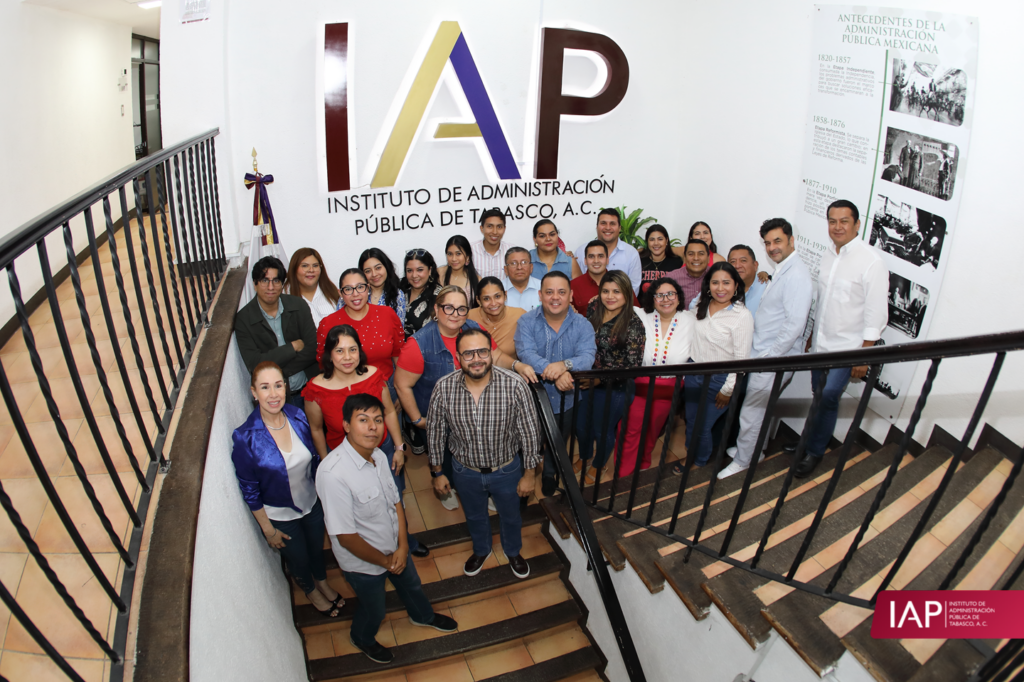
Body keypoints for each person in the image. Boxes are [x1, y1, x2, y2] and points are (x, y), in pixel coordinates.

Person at [316, 394, 458, 664]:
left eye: (378, 420)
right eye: (363, 420)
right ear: (346, 425)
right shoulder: (332, 474)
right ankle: (362, 637)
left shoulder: (380, 455)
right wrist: (385, 562)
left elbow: (395, 503)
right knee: (374, 610)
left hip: (395, 549)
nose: (373, 427)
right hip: (364, 563)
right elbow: (345, 537)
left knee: (412, 586)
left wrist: (402, 546)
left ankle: (423, 616)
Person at [231, 362, 343, 617]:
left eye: (278, 385)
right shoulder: (245, 437)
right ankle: (310, 590)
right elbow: (249, 489)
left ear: (286, 387)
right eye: (265, 387)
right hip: (280, 517)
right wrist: (268, 530)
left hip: (312, 504)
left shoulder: (298, 415)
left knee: (316, 549)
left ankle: (322, 581)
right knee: (299, 559)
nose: (273, 394)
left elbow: (315, 459)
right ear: (253, 392)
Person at [426, 328, 540, 578]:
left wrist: (529, 474)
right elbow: (435, 432)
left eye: (482, 352)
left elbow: (530, 432)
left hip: (507, 470)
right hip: (465, 472)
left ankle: (513, 551)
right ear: (458, 357)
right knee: (475, 516)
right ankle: (481, 549)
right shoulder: (443, 388)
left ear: (491, 353)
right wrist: (437, 472)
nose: (476, 359)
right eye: (468, 353)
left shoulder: (515, 385)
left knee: (511, 516)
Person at [394, 286, 521, 508]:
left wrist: (518, 366)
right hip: (436, 418)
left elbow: (497, 355)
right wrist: (418, 420)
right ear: (436, 309)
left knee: (473, 454)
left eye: (462, 309)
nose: (455, 314)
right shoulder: (419, 343)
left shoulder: (474, 329)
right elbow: (402, 385)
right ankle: (447, 487)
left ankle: (480, 490)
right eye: (449, 308)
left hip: (472, 412)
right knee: (443, 458)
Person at [305, 324, 426, 554]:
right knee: (360, 509)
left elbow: (388, 412)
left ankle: (404, 542)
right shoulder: (316, 389)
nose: (347, 357)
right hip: (345, 461)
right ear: (329, 354)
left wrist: (399, 448)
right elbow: (317, 429)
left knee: (394, 499)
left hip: (383, 451)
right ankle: (373, 551)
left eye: (352, 350)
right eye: (339, 351)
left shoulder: (373, 375)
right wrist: (326, 462)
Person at [794, 200, 887, 479]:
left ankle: (815, 451)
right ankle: (805, 443)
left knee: (829, 396)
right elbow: (823, 301)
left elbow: (876, 314)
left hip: (848, 349)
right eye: (832, 221)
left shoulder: (871, 262)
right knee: (818, 394)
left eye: (844, 221)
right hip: (821, 344)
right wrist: (812, 334)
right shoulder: (827, 255)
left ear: (857, 224)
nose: (837, 227)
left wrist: (864, 355)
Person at [718, 219, 813, 479]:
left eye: (777, 241)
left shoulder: (797, 275)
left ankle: (743, 461)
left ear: (791, 240)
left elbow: (795, 325)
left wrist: (770, 358)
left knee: (752, 412)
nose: (772, 247)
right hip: (765, 352)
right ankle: (752, 451)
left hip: (773, 357)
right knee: (760, 409)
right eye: (768, 243)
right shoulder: (782, 269)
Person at [514, 271, 597, 496]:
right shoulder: (526, 321)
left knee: (557, 440)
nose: (555, 297)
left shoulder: (583, 324)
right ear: (540, 295)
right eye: (549, 292)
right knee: (529, 440)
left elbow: (587, 356)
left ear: (570, 295)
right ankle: (526, 474)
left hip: (567, 400)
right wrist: (557, 372)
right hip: (532, 399)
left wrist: (565, 364)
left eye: (561, 292)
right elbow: (526, 353)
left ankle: (549, 473)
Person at [675, 262, 753, 472]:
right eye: (715, 282)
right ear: (708, 285)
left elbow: (741, 360)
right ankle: (691, 453)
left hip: (720, 380)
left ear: (736, 286)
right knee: (692, 421)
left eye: (726, 283)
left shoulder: (742, 316)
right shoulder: (702, 303)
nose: (720, 288)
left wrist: (727, 390)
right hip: (694, 373)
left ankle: (699, 461)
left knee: (703, 425)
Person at [575, 270, 645, 484]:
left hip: (616, 386)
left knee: (602, 429)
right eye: (605, 291)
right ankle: (585, 456)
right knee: (581, 426)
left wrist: (600, 379)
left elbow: (632, 366)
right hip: (587, 380)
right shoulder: (594, 308)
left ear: (627, 293)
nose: (610, 296)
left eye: (616, 291)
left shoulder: (634, 325)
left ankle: (599, 463)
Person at [619, 277, 695, 476]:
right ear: (652, 299)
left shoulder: (692, 320)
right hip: (641, 383)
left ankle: (644, 459)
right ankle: (624, 473)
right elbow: (617, 302)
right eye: (659, 295)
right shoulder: (641, 315)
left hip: (669, 387)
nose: (665, 299)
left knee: (653, 428)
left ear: (679, 297)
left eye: (670, 294)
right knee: (631, 428)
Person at [235, 256, 318, 407]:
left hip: (309, 391)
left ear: (282, 284)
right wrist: (292, 347)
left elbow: (313, 349)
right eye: (265, 280)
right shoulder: (244, 319)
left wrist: (279, 370)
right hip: (274, 400)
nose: (271, 287)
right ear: (255, 284)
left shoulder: (298, 305)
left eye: (276, 281)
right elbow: (255, 364)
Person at [315, 269, 405, 384]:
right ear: (340, 293)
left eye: (360, 287)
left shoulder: (387, 314)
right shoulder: (328, 323)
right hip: (347, 388)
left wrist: (401, 388)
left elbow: (399, 355)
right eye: (348, 289)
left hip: (386, 384)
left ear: (368, 288)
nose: (355, 294)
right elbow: (324, 364)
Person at [571, 208, 642, 293]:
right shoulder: (581, 251)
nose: (608, 228)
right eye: (603, 223)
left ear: (619, 228)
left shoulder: (631, 253)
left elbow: (633, 288)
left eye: (612, 224)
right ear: (597, 227)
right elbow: (577, 285)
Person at [571, 241, 638, 316]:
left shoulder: (622, 282)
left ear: (607, 260)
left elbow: (637, 312)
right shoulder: (573, 286)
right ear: (585, 261)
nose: (596, 261)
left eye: (600, 256)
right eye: (591, 256)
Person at [469, 276, 526, 361]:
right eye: (486, 299)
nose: (493, 303)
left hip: (511, 368)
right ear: (478, 300)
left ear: (505, 296)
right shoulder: (469, 317)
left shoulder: (520, 316)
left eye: (497, 296)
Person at [285, 248, 340, 327]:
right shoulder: (285, 295)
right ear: (294, 268)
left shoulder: (332, 291)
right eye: (305, 266)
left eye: (315, 265)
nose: (311, 270)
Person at [358, 248, 407, 328]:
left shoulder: (397, 295)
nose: (374, 274)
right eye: (368, 271)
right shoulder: (355, 295)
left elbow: (399, 330)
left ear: (386, 267)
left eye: (378, 268)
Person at [401, 249, 440, 339]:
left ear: (430, 270)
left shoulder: (439, 296)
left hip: (425, 345)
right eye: (409, 271)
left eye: (420, 270)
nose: (414, 275)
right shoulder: (400, 290)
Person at [639, 224, 683, 296]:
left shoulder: (677, 262)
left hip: (667, 302)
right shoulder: (639, 261)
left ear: (666, 240)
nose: (656, 243)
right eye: (652, 239)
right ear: (647, 242)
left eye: (660, 239)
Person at [437, 235, 481, 306]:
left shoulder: (477, 280)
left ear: (468, 257)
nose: (454, 259)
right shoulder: (439, 273)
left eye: (458, 254)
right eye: (450, 254)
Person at [668, 239, 710, 311]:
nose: (696, 258)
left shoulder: (716, 276)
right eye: (691, 254)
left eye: (701, 254)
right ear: (685, 257)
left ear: (708, 258)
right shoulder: (671, 278)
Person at [470, 209, 511, 279]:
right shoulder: (470, 250)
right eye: (489, 226)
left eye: (499, 227)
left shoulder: (511, 251)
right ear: (482, 228)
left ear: (504, 229)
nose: (495, 232)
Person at [727, 245, 767, 315]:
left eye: (743, 261)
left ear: (755, 265)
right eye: (733, 261)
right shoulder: (724, 291)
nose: (737, 266)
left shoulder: (767, 288)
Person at [501, 247, 542, 312]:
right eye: (513, 263)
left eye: (524, 262)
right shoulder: (498, 289)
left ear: (531, 267)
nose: (519, 267)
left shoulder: (542, 287)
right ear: (506, 270)